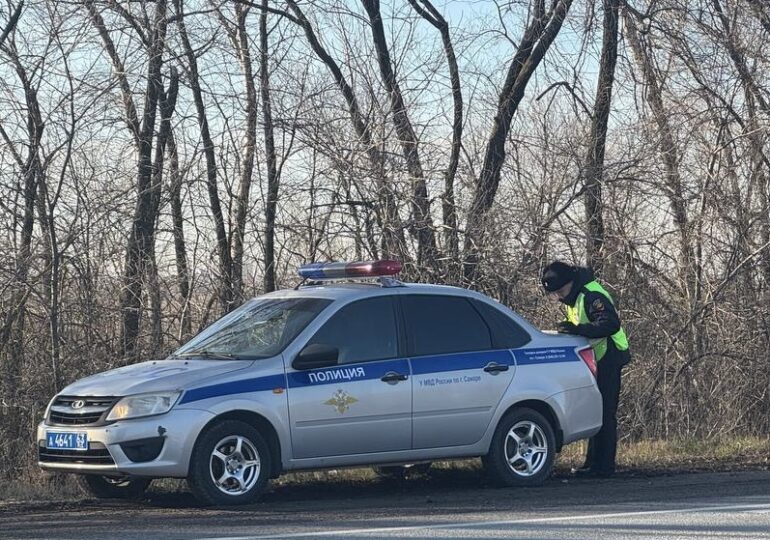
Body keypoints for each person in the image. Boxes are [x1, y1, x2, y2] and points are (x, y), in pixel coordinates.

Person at [541, 261, 631, 478]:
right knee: (595, 411)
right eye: (554, 294)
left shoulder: (591, 295)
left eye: (560, 292)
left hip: (610, 355)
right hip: (594, 358)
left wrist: (578, 330)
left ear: (570, 283)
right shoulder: (574, 297)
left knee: (605, 412)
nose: (559, 297)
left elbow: (610, 324)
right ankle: (592, 463)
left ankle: (604, 466)